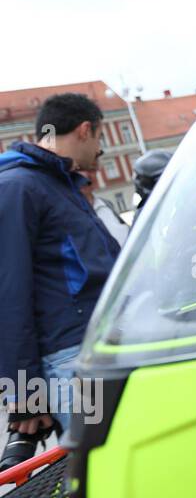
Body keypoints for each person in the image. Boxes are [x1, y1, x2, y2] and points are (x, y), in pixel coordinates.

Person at [0, 94, 122, 470]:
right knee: (104, 471)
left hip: (95, 347)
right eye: (100, 137)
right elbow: (8, 290)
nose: (101, 150)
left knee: (121, 464)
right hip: (72, 361)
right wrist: (23, 389)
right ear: (86, 130)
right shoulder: (19, 186)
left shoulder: (60, 183)